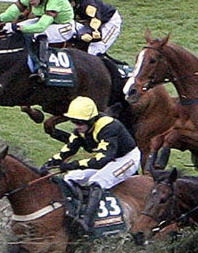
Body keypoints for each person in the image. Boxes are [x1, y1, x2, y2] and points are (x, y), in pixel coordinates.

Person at [41, 96, 140, 235]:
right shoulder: (80, 131)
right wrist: (49, 164)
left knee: (97, 181)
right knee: (70, 178)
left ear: (91, 119)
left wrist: (72, 165)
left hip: (126, 159)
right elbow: (68, 150)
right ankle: (72, 211)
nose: (77, 125)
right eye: (74, 121)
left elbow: (102, 160)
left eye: (81, 122)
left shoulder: (109, 127)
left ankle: (86, 223)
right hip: (107, 158)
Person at [0, 0, 75, 81]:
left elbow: (40, 27)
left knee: (36, 34)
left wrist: (15, 27)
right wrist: (0, 18)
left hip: (63, 27)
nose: (30, 0)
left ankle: (41, 67)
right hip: (46, 21)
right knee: (19, 28)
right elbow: (14, 10)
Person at [58, 0, 122, 57]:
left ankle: (114, 68)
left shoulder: (90, 8)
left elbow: (96, 35)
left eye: (69, 0)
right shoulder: (65, 8)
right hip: (88, 22)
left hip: (109, 22)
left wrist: (78, 37)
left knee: (95, 50)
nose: (66, 4)